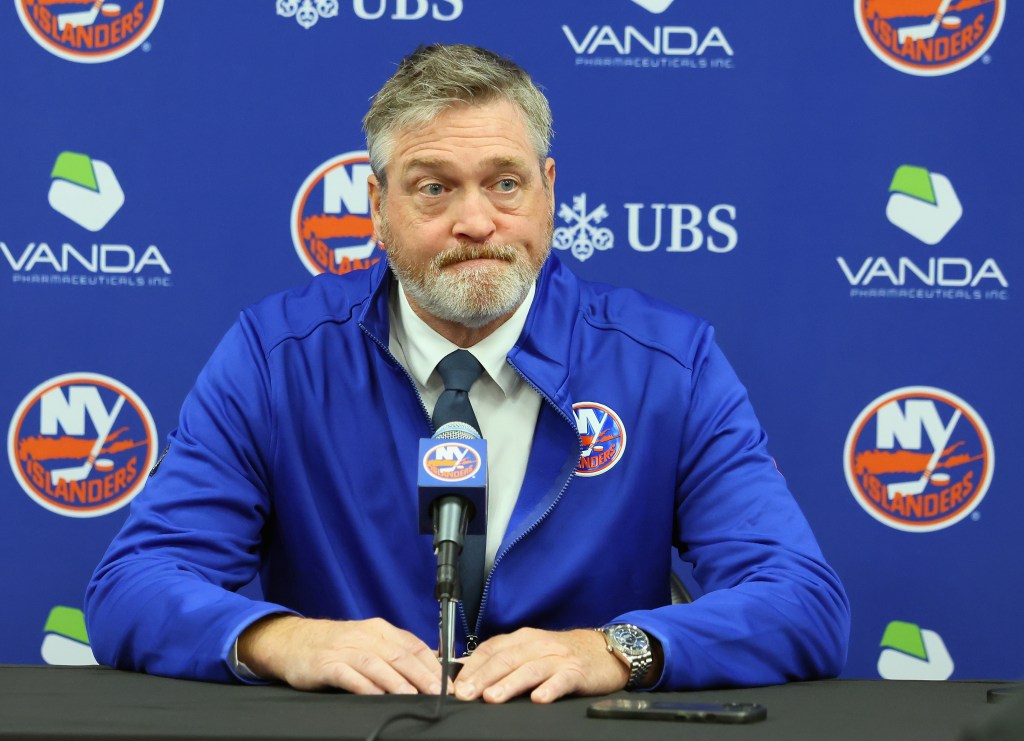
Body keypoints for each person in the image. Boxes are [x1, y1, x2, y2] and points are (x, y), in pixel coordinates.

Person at [85, 44, 850, 704]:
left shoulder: (665, 363)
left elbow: (802, 602)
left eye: (505, 183)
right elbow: (135, 583)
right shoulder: (276, 357)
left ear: (549, 195)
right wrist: (283, 639)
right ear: (378, 207)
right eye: (434, 187)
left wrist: (615, 650)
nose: (477, 221)